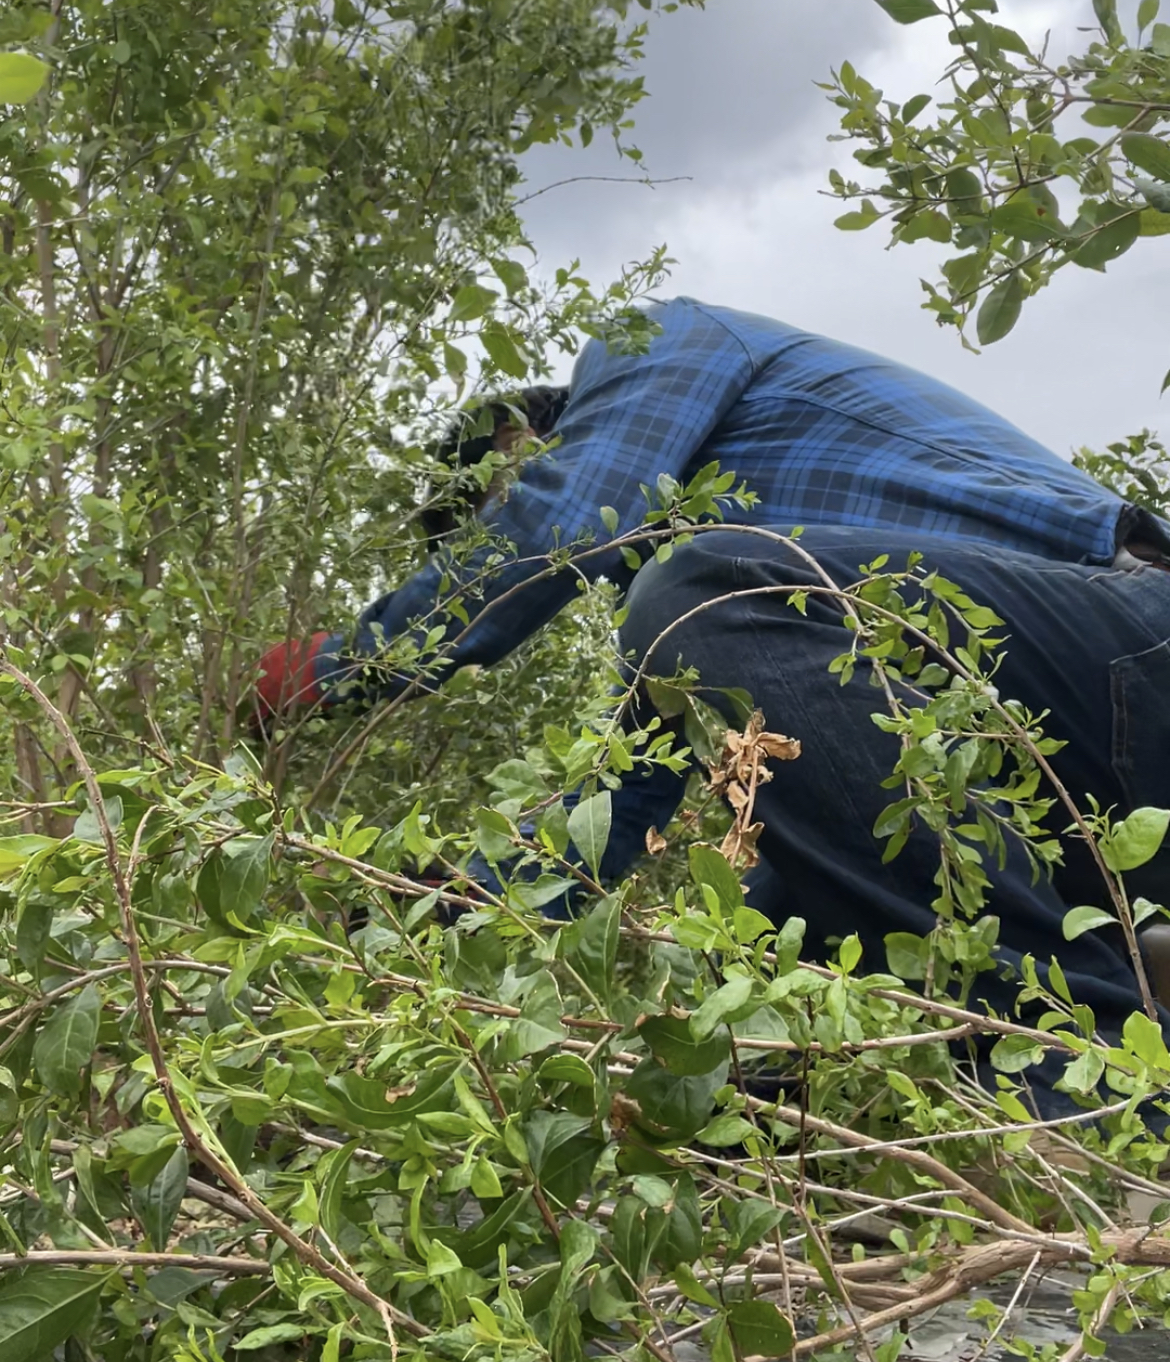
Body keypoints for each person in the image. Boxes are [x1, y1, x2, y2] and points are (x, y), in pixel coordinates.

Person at [254, 296, 1170, 1047]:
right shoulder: (719, 624)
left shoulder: (655, 343)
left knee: (694, 594)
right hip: (1065, 778)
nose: (498, 513)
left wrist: (336, 669)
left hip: (1122, 641)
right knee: (777, 967)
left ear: (521, 436)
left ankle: (1089, 1087)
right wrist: (432, 915)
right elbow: (617, 802)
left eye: (495, 491)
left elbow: (562, 522)